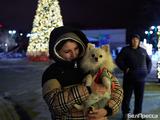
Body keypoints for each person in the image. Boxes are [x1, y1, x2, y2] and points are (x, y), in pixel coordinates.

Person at [42, 26, 123, 120]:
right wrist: (87, 89)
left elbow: (118, 91)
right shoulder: (52, 72)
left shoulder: (94, 65)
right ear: (57, 52)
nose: (74, 54)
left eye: (76, 48)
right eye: (67, 51)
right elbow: (55, 105)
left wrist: (107, 110)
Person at [115, 34, 152, 120]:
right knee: (127, 97)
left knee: (139, 98)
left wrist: (148, 70)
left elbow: (149, 61)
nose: (134, 41)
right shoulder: (126, 50)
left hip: (141, 79)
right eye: (133, 39)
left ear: (139, 41)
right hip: (129, 78)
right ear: (130, 41)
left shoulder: (143, 51)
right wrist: (124, 68)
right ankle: (126, 114)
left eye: (136, 40)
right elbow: (118, 60)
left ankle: (137, 114)